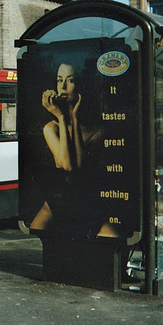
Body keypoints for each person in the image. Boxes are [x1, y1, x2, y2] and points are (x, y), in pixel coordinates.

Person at [30, 62, 110, 236]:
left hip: (89, 204)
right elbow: (66, 164)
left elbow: (78, 165)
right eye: (59, 80)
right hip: (58, 203)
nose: (63, 86)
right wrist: (60, 117)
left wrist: (73, 119)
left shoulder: (98, 130)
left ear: (82, 85)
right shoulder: (51, 128)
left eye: (70, 80)